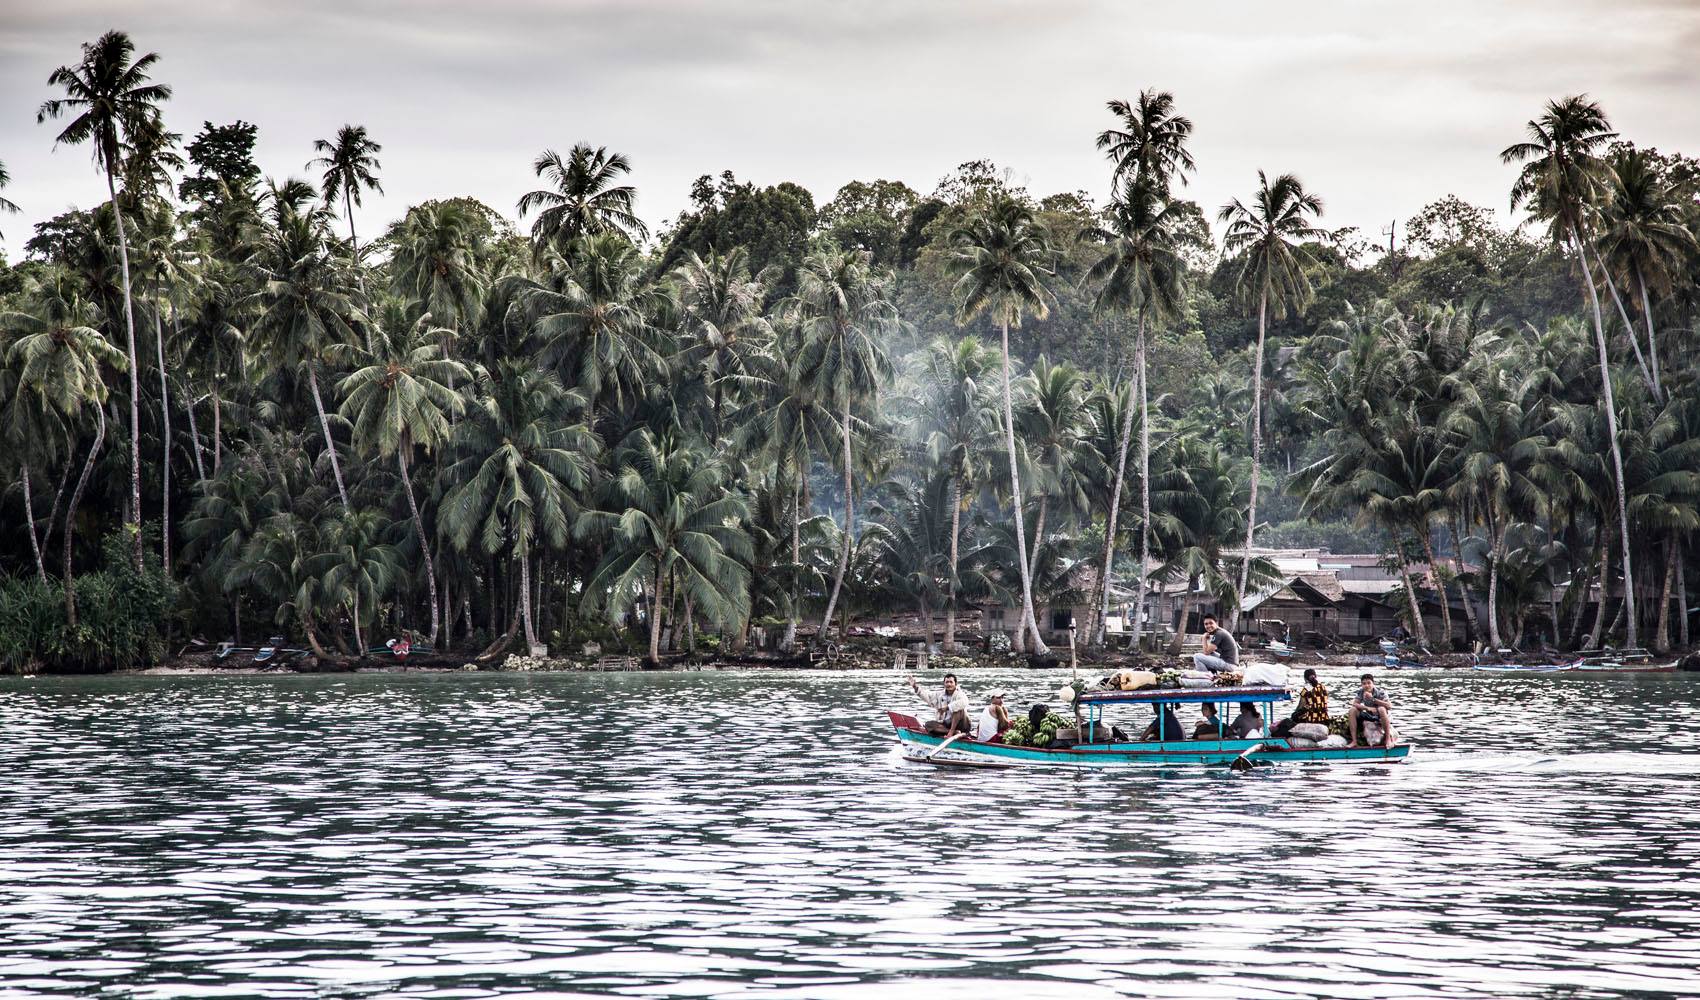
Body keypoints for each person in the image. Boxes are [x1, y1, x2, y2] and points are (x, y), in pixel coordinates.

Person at [1274, 668, 1329, 736]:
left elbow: (1301, 706)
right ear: (1316, 676)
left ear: (1305, 679)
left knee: (1292, 717)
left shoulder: (1306, 689)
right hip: (1324, 718)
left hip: (1311, 720)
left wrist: (1294, 715)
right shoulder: (1323, 687)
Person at [1347, 673, 1394, 748]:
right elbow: (1354, 704)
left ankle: (1388, 739)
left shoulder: (1380, 692)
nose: (1367, 685)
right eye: (1364, 684)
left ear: (1373, 683)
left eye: (1369, 683)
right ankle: (1354, 741)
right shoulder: (1361, 691)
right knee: (1352, 710)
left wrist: (1373, 699)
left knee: (1381, 709)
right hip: (1370, 715)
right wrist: (1367, 708)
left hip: (1380, 716)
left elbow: (1389, 706)